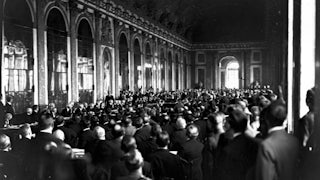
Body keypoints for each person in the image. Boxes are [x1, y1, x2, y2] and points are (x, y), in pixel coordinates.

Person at [255, 101, 299, 180]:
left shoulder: (266, 145)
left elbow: (265, 176)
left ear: (267, 120)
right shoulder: (294, 141)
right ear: (285, 120)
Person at [218, 108, 258, 180]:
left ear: (230, 125)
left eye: (225, 122)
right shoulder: (254, 143)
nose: (224, 124)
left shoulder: (228, 151)